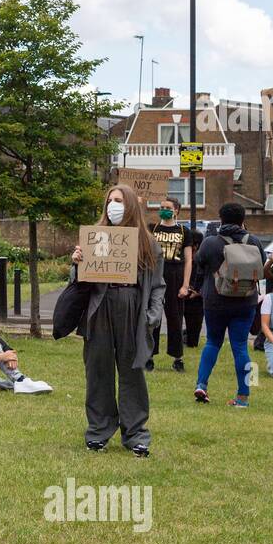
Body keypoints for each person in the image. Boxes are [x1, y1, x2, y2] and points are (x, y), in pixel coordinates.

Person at [71, 184, 164, 456]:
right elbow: (79, 281)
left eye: (119, 201)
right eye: (110, 200)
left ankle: (136, 433)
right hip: (100, 308)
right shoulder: (94, 237)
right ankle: (98, 430)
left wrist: (152, 314)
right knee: (98, 369)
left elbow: (158, 285)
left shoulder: (148, 243)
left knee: (132, 370)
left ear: (131, 205)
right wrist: (77, 262)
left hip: (132, 308)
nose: (113, 205)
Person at [190, 202, 265, 408]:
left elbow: (199, 266)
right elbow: (262, 265)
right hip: (245, 300)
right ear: (243, 220)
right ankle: (243, 396)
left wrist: (194, 289)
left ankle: (202, 384)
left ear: (220, 219)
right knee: (240, 347)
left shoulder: (210, 242)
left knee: (212, 342)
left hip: (215, 300)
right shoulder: (255, 241)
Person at [148, 197, 190, 372]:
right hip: (155, 275)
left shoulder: (183, 231)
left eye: (168, 207)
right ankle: (149, 356)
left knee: (175, 318)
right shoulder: (152, 229)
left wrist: (185, 285)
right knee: (153, 317)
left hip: (175, 275)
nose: (164, 209)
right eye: (161, 207)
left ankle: (177, 358)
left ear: (176, 210)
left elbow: (189, 260)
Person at [181, 223, 204, 348]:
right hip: (191, 296)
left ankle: (188, 339)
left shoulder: (198, 261)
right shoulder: (199, 260)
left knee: (193, 334)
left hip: (195, 297)